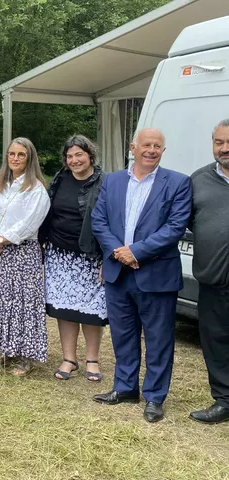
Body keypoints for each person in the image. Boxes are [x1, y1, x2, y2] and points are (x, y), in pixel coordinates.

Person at [91, 128, 191, 423]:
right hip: (117, 272)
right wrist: (118, 252)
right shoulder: (113, 180)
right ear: (132, 147)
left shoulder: (178, 183)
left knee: (159, 339)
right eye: (146, 145)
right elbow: (99, 220)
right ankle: (125, 388)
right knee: (123, 335)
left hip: (156, 274)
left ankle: (155, 397)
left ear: (163, 150)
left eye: (157, 146)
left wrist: (136, 252)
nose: (151, 150)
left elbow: (175, 227)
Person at [0, 137, 50, 376]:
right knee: (4, 302)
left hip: (23, 252)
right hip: (1, 253)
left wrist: (2, 239)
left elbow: (29, 223)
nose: (15, 158)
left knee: (23, 303)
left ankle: (26, 356)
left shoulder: (36, 189)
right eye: (12, 154)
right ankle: (8, 350)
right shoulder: (1, 185)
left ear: (29, 159)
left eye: (21, 155)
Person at [39, 135, 107, 382]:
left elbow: (111, 221)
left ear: (90, 155)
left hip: (90, 257)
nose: (74, 160)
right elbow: (46, 213)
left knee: (91, 311)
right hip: (60, 255)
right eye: (69, 156)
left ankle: (92, 360)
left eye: (79, 154)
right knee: (64, 309)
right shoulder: (59, 178)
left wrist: (106, 257)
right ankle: (69, 358)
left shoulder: (104, 182)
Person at [188, 119, 229, 424]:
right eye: (219, 142)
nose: (224, 148)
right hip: (213, 280)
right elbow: (187, 222)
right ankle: (224, 401)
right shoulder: (198, 180)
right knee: (216, 342)